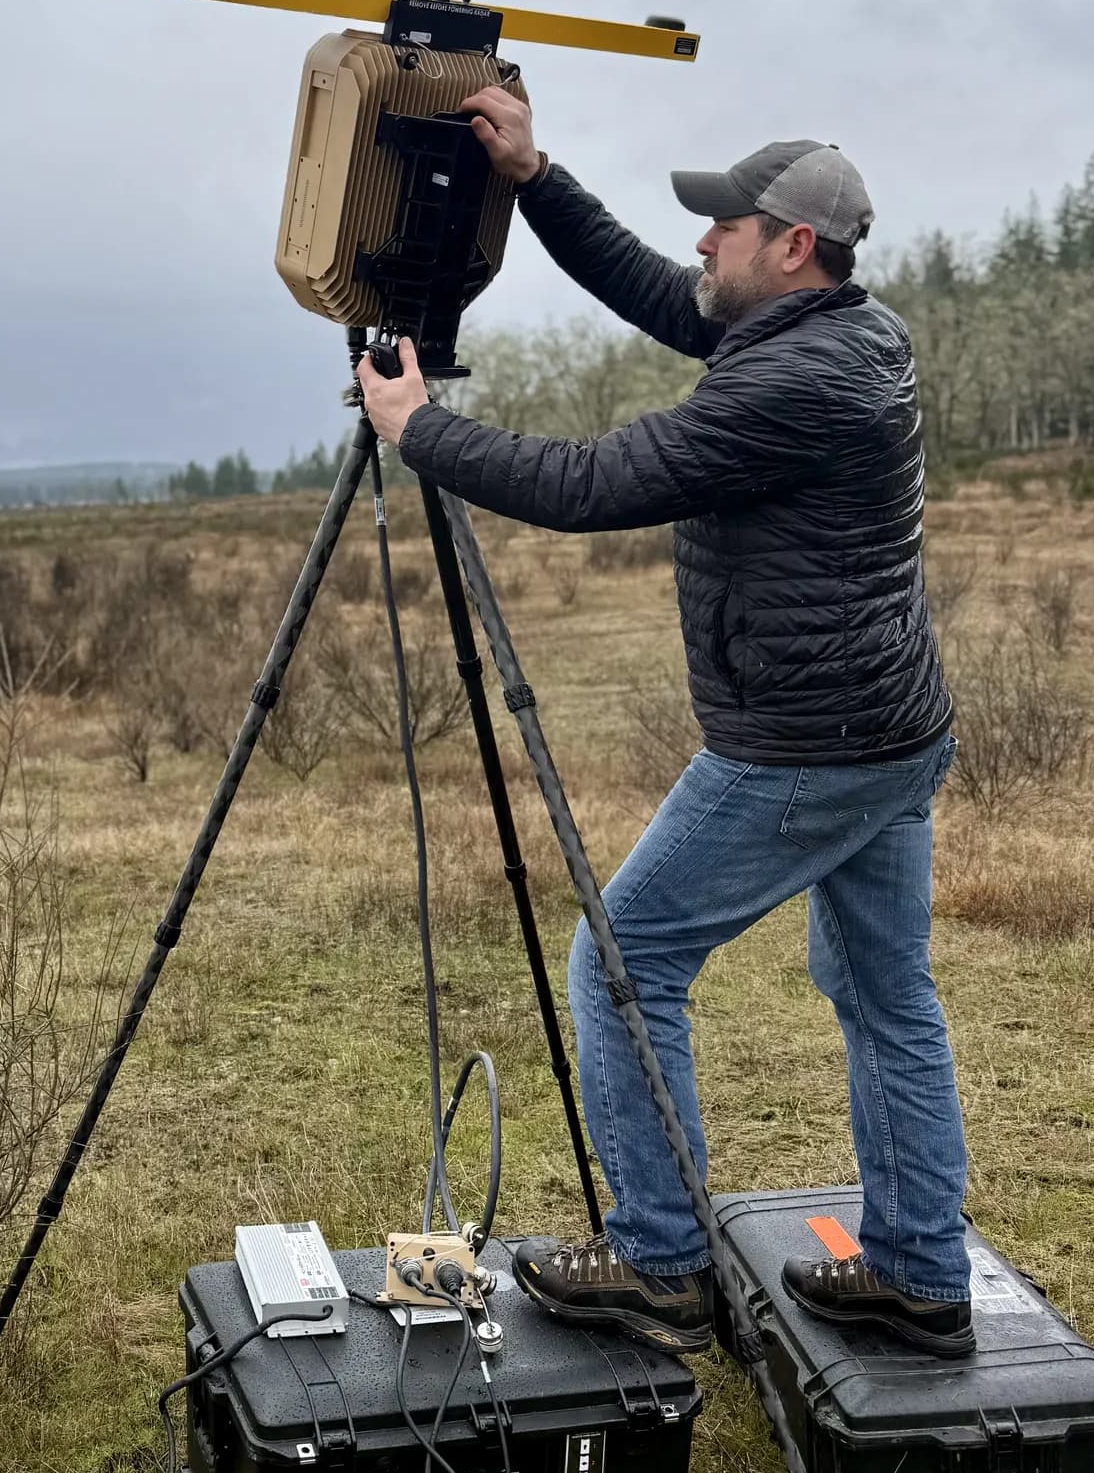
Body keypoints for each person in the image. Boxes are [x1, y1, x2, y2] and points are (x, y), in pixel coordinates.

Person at [354, 89, 974, 1358]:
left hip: (803, 750)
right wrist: (533, 177)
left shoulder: (792, 382)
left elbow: (599, 484)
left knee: (624, 963)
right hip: (887, 728)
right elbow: (659, 290)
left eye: (725, 228)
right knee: (883, 992)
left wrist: (421, 430)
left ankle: (659, 1261)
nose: (702, 246)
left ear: (790, 246)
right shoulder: (849, 331)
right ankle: (916, 1270)